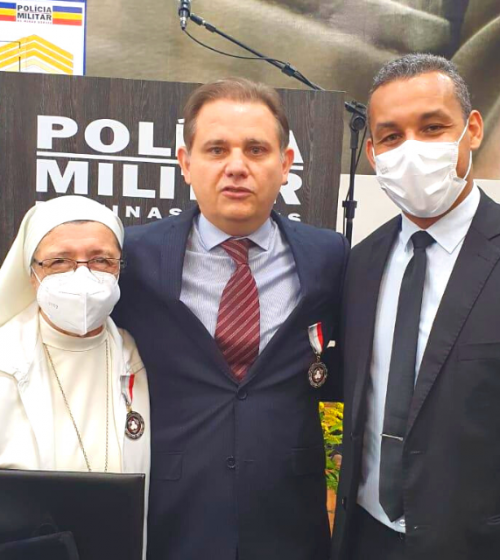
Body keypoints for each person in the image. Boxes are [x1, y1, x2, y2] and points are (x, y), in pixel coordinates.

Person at [113, 77, 349, 560]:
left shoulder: (329, 255)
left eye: (256, 150)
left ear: (285, 164)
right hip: (170, 515)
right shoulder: (133, 255)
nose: (237, 167)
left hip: (289, 519)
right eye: (217, 149)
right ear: (186, 163)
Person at [331, 53, 500, 560]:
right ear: (372, 152)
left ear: (472, 129)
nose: (412, 150)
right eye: (391, 136)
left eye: (432, 128)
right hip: (364, 535)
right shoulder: (360, 263)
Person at [0, 196, 150, 553]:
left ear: (119, 268)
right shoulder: (6, 357)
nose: (82, 274)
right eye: (59, 261)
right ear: (32, 274)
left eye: (101, 260)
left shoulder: (137, 355)